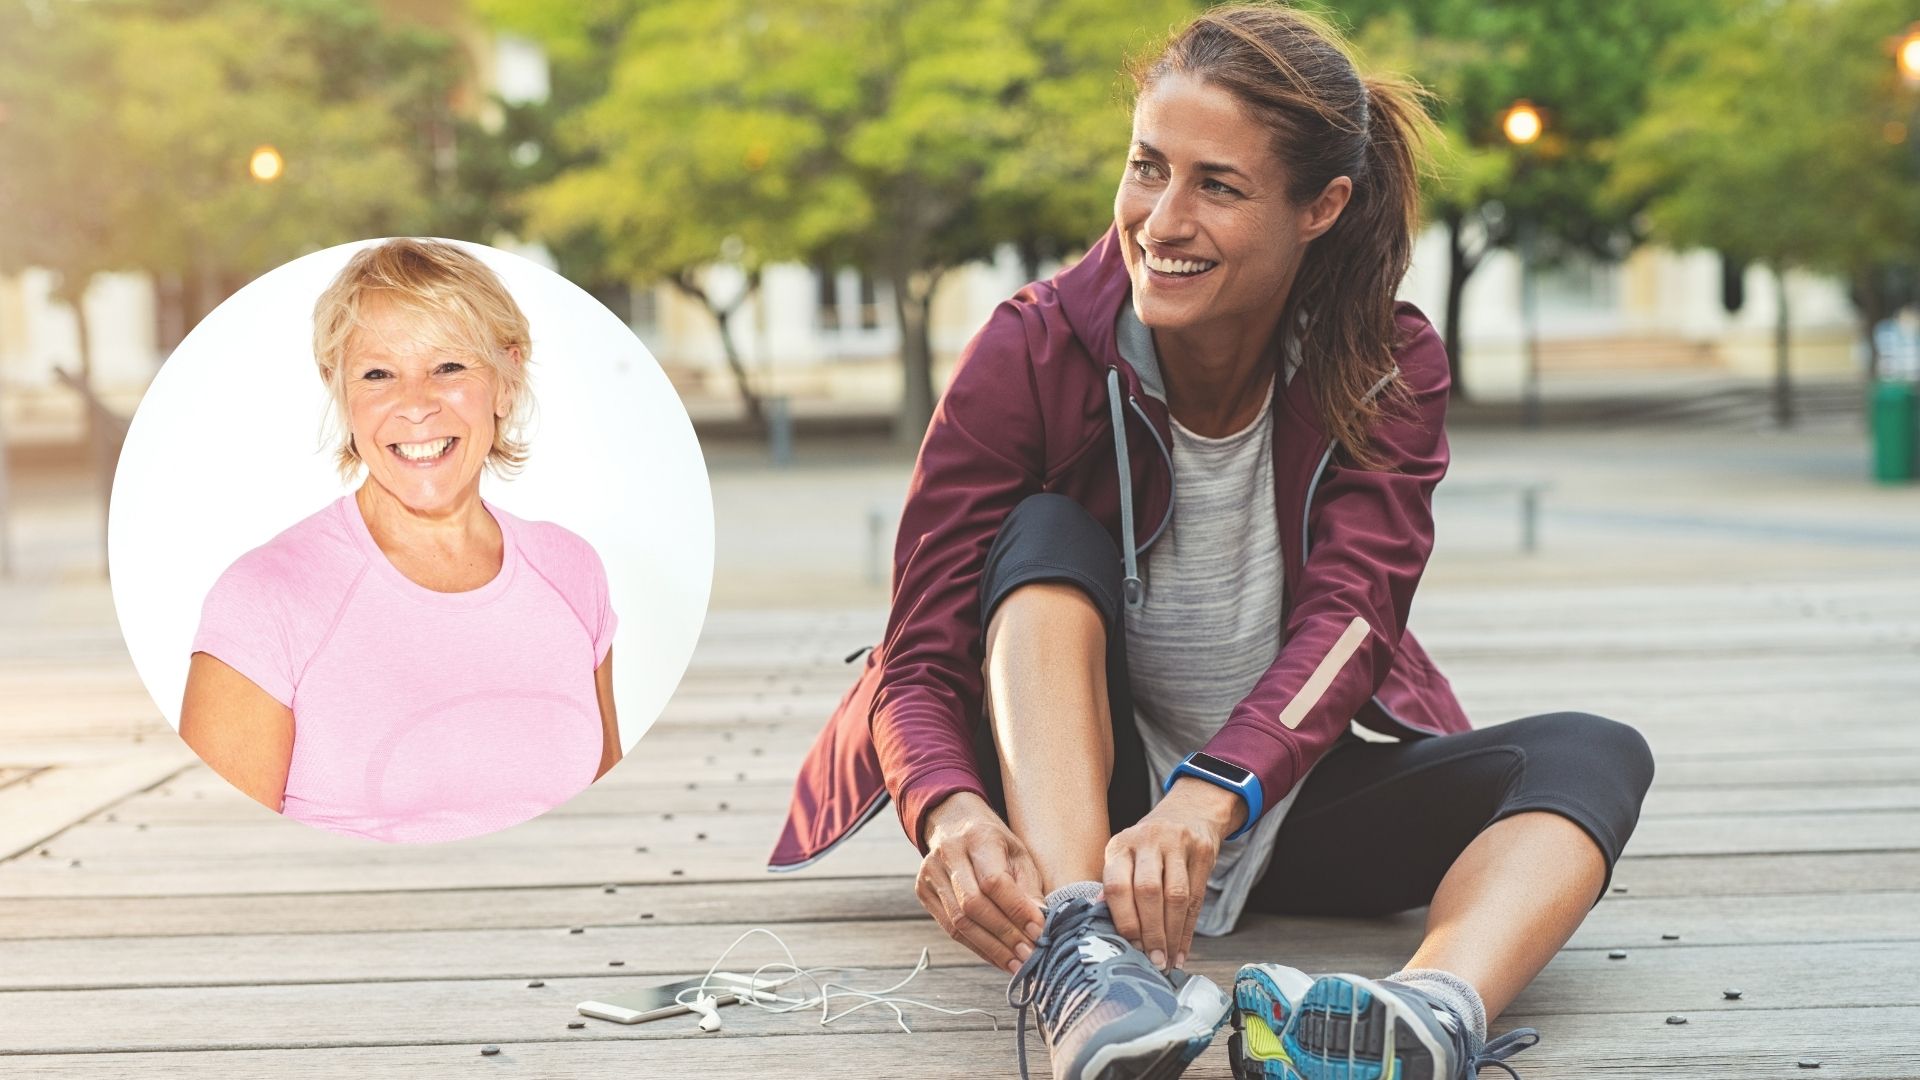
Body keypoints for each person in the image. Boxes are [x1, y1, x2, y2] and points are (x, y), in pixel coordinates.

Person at [773, 5, 1656, 1078]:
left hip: (1274, 803)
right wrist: (948, 809)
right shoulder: (1032, 348)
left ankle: (1431, 1016)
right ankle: (1084, 956)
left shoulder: (1386, 365)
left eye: (1218, 185)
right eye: (1148, 167)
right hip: (1083, 818)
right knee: (1045, 533)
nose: (1161, 220)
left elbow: (1352, 623)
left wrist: (1216, 794)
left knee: (1593, 751)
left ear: (1321, 206)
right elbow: (916, 653)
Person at [181, 238, 623, 844]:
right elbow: (216, 860)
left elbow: (609, 822)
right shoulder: (266, 597)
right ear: (340, 389)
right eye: (379, 374)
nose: (416, 405)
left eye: (449, 367)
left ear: (506, 378)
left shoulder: (572, 571)